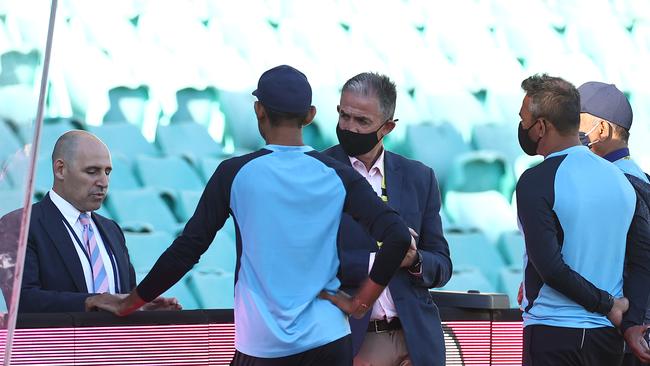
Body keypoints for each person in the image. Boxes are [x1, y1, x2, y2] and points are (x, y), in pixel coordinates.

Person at [86, 65, 413, 366]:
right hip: (329, 341)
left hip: (263, 345)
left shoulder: (234, 173)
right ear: (310, 116)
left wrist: (128, 303)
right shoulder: (337, 174)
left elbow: (187, 250)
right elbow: (398, 237)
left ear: (258, 111)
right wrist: (359, 303)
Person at [323, 72, 451, 366]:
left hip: (417, 341)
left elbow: (442, 264)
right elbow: (307, 262)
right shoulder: (317, 172)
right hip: (353, 338)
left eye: (362, 121)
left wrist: (415, 260)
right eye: (344, 116)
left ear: (388, 126)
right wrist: (380, 260)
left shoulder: (420, 177)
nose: (350, 127)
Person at [516, 74, 632, 366]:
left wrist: (608, 305)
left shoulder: (535, 180)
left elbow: (551, 269)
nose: (521, 127)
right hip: (607, 339)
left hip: (553, 332)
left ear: (541, 127)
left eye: (523, 119)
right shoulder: (620, 179)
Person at [17, 130, 179, 312]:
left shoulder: (112, 230)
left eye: (107, 172)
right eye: (92, 171)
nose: (103, 182)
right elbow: (23, 300)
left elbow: (121, 300)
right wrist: (90, 301)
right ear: (60, 169)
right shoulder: (21, 225)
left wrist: (141, 309)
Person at [577, 81, 650, 365]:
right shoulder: (642, 179)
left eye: (576, 124)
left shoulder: (613, 185)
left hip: (617, 333)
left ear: (603, 130)